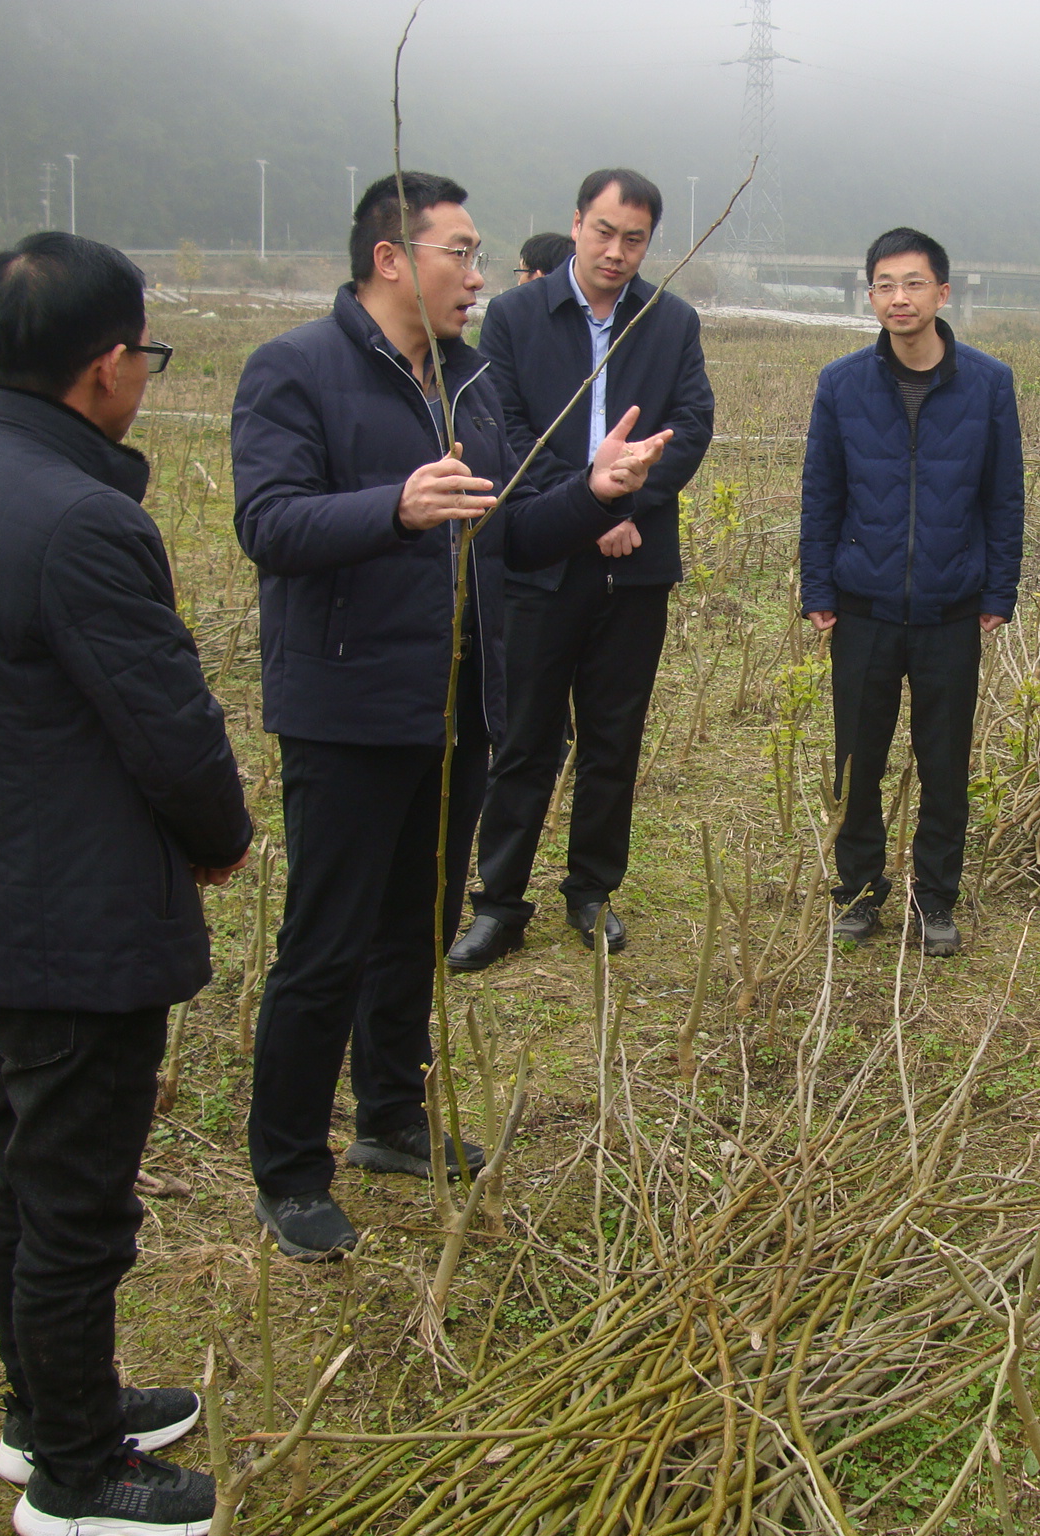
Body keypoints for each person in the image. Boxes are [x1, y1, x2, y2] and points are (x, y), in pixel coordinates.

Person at [233, 172, 671, 1260]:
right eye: (459, 254)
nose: (480, 278)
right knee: (322, 945)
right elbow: (269, 523)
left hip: (459, 703)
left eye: (479, 257)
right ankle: (288, 1169)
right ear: (391, 258)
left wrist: (597, 493)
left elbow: (516, 531)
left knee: (415, 928)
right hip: (347, 708)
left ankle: (388, 1116)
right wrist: (392, 507)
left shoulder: (470, 386)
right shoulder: (296, 370)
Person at [0, 232, 251, 1534]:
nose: (147, 377)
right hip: (69, 926)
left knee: (28, 1172)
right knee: (77, 1207)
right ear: (107, 366)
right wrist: (220, 832)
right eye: (145, 355)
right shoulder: (86, 518)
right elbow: (172, 728)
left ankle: (51, 1408)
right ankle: (78, 1477)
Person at [447, 169, 713, 967]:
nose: (616, 251)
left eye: (634, 238)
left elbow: (692, 425)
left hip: (636, 569)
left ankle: (591, 892)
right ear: (576, 224)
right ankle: (498, 903)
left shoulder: (671, 323)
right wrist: (584, 506)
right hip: (539, 562)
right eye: (604, 231)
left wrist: (624, 507)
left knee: (612, 738)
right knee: (523, 737)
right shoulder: (516, 316)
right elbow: (503, 430)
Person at [799, 226, 1025, 956]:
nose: (899, 298)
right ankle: (860, 894)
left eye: (914, 283)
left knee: (944, 762)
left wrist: (999, 590)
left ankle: (935, 899)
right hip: (862, 605)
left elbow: (1005, 497)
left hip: (949, 608)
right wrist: (817, 584)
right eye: (885, 286)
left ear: (943, 292)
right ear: (870, 296)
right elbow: (821, 493)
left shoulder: (989, 383)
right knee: (857, 760)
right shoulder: (840, 384)